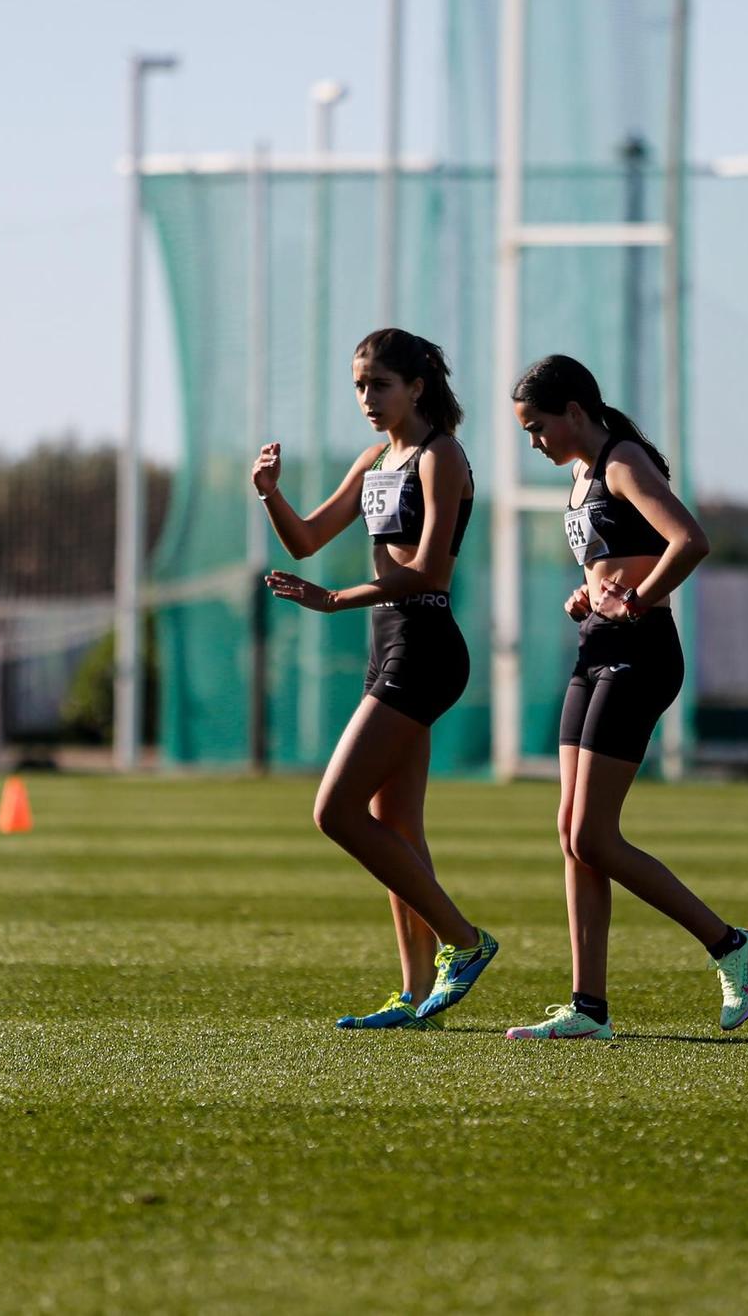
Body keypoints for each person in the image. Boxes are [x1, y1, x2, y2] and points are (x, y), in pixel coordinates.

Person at [502, 353, 748, 1041]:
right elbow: (615, 562)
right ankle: (587, 1007)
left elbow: (691, 539)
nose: (534, 441)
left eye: (537, 427)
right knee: (571, 836)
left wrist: (639, 601)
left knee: (593, 834)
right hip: (595, 650)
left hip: (640, 653)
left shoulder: (621, 461)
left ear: (573, 411)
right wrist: (589, 594)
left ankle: (732, 945)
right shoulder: (580, 473)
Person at [252, 328, 500, 1030]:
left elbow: (427, 572)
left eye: (379, 384)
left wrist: (333, 600)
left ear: (417, 386)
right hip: (388, 644)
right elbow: (304, 538)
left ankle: (466, 940)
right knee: (397, 827)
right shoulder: (374, 459)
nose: (366, 397)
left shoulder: (440, 455)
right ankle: (418, 992)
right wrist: (271, 493)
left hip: (424, 645)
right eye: (359, 384)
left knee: (333, 811)